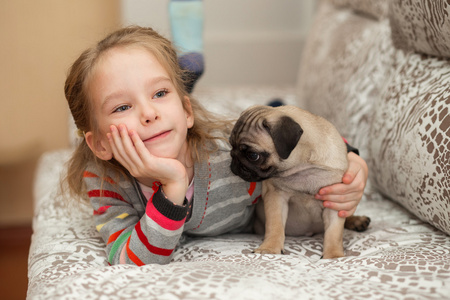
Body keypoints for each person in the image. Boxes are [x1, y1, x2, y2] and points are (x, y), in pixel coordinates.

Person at [63, 26, 368, 266]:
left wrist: (354, 161)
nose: (148, 113)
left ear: (186, 110)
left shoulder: (227, 151)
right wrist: (172, 185)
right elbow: (131, 259)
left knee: (274, 113)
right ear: (100, 144)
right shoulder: (107, 182)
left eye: (159, 93)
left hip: (247, 191)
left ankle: (273, 101)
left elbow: (305, 139)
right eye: (121, 107)